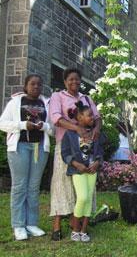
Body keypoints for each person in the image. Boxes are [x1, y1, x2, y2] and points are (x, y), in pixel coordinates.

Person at [49, 68, 101, 241]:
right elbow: (56, 118)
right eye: (71, 79)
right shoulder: (58, 97)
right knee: (61, 183)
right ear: (65, 81)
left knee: (83, 185)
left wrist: (96, 130)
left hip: (86, 148)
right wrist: (77, 128)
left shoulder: (86, 98)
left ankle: (76, 221)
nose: (74, 82)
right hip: (66, 144)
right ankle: (57, 222)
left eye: (78, 80)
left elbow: (97, 117)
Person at [0, 74, 51, 240]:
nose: (36, 87)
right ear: (25, 86)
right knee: (20, 186)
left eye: (39, 84)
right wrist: (22, 125)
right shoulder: (15, 102)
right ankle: (19, 225)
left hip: (39, 148)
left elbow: (54, 129)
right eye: (32, 84)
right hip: (19, 148)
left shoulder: (46, 103)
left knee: (33, 186)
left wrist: (44, 126)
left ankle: (32, 223)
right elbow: (2, 123)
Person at [61, 101, 103, 242]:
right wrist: (75, 164)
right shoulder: (70, 134)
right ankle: (75, 229)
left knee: (89, 199)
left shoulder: (95, 134)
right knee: (83, 197)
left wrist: (97, 162)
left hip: (91, 171)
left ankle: (84, 230)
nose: (93, 118)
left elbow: (100, 152)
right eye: (89, 115)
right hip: (78, 171)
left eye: (92, 115)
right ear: (79, 118)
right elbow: (65, 153)